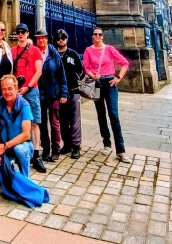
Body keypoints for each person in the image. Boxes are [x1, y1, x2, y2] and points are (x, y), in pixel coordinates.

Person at [83, 28, 131, 163]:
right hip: (97, 84)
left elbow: (124, 63)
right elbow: (86, 66)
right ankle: (106, 143)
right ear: (92, 36)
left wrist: (118, 77)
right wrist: (92, 75)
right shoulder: (88, 50)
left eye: (99, 34)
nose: (97, 36)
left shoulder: (109, 49)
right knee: (101, 114)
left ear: (102, 37)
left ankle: (120, 150)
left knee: (114, 115)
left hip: (110, 83)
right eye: (95, 34)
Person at [11, 23, 46, 172]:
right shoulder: (12, 51)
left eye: (23, 32)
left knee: (34, 122)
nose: (20, 34)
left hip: (31, 90)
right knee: (18, 122)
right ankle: (20, 153)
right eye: (18, 32)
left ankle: (37, 155)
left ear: (27, 33)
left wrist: (28, 87)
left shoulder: (35, 50)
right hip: (16, 90)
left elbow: (39, 71)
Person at [0, 74, 33, 176]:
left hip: (23, 145)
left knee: (19, 150)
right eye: (4, 89)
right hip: (5, 146)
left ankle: (25, 179)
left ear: (16, 88)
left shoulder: (24, 105)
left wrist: (5, 146)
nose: (7, 92)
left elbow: (26, 134)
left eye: (10, 88)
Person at [35, 29, 67, 163]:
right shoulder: (35, 52)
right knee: (42, 123)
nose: (41, 40)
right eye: (38, 38)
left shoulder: (54, 53)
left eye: (43, 38)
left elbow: (61, 74)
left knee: (54, 123)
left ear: (47, 39)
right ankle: (46, 149)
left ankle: (56, 150)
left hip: (54, 93)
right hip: (40, 94)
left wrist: (64, 92)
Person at [55, 29, 84, 159]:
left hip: (73, 91)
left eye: (63, 38)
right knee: (62, 120)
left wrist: (76, 78)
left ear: (67, 39)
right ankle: (67, 144)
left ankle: (76, 146)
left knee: (75, 120)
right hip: (60, 93)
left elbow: (81, 70)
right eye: (58, 38)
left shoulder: (73, 54)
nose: (60, 40)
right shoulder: (54, 54)